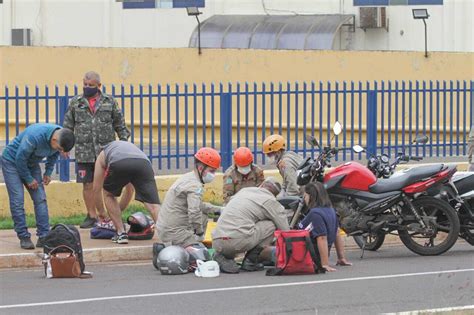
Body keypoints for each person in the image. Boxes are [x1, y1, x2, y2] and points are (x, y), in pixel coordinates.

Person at [63, 71, 131, 229]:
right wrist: (66, 145)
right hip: (84, 150)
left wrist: (124, 142)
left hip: (106, 151)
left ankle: (110, 214)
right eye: (85, 84)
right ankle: (92, 215)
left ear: (99, 86)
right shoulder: (76, 102)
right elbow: (68, 125)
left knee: (107, 185)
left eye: (91, 85)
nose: (87, 87)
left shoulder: (110, 101)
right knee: (87, 184)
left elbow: (119, 123)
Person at [1, 124, 75, 249]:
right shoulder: (35, 136)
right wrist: (29, 178)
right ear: (54, 140)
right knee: (17, 200)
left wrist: (48, 172)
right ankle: (24, 236)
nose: (61, 152)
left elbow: (53, 154)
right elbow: (20, 159)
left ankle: (44, 236)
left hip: (31, 162)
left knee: (40, 199)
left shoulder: (58, 139)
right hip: (12, 162)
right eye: (60, 148)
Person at [212, 177, 290, 273]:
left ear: (261, 185)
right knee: (272, 224)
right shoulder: (271, 201)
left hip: (216, 240)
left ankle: (223, 255)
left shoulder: (244, 191)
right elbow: (285, 230)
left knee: (241, 224)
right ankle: (250, 261)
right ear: (275, 195)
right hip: (236, 242)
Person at [92, 141, 160, 244]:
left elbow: (96, 189)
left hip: (119, 162)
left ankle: (121, 233)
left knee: (108, 194)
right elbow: (129, 190)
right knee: (152, 204)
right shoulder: (127, 147)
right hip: (144, 163)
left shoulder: (102, 154)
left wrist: (102, 213)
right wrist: (117, 211)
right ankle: (167, 237)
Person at [156, 147, 222, 248]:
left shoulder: (188, 177)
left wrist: (219, 209)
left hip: (165, 228)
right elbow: (194, 212)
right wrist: (200, 234)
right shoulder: (194, 186)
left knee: (204, 214)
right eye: (211, 171)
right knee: (202, 254)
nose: (213, 175)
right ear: (201, 168)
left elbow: (200, 206)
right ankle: (191, 244)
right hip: (174, 232)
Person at [297, 182, 352, 272]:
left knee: (268, 251)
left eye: (305, 196)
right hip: (312, 253)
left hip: (305, 254)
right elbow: (337, 233)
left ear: (311, 196)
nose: (304, 199)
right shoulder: (331, 210)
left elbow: (322, 237)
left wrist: (324, 264)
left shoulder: (315, 213)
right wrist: (341, 258)